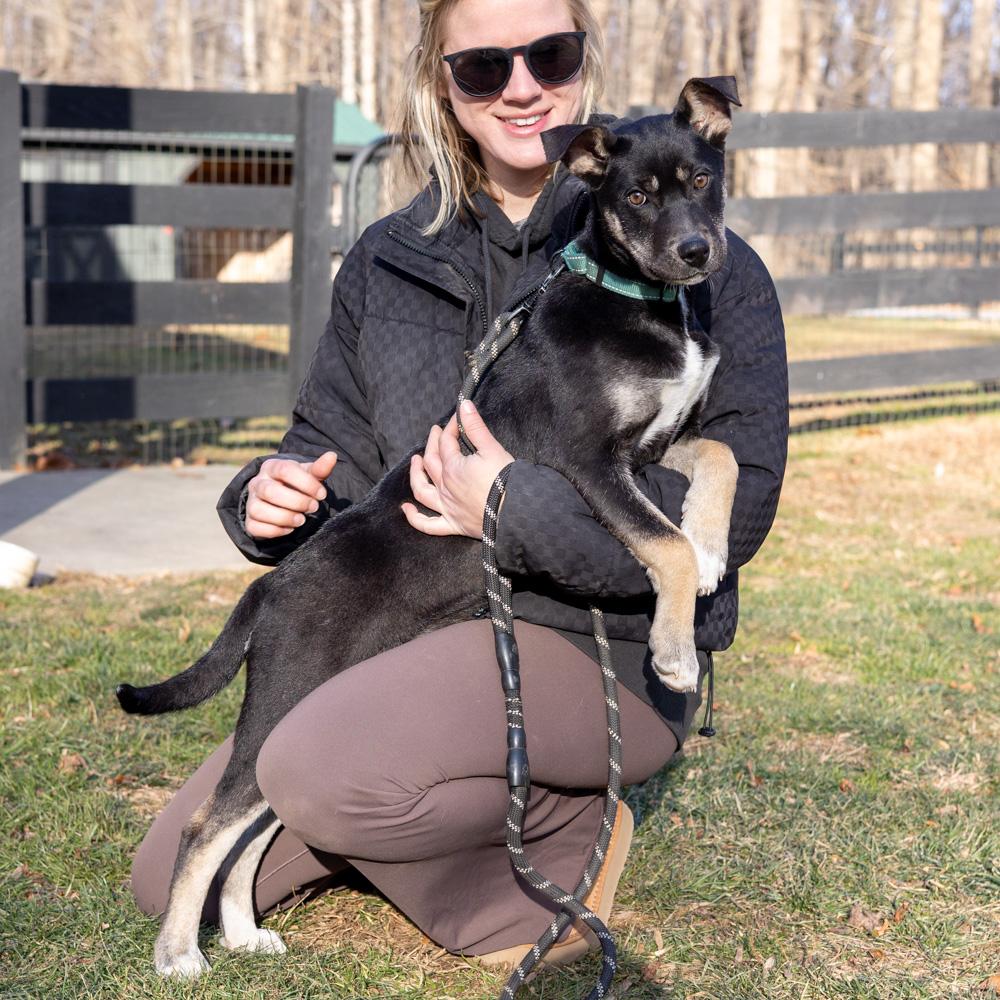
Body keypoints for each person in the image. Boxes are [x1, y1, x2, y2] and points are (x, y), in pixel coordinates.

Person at [129, 0, 788, 969]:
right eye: (483, 66)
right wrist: (265, 497)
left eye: (549, 54)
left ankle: (540, 862)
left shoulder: (704, 269)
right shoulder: (383, 265)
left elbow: (748, 507)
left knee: (310, 765)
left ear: (582, 62)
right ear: (442, 82)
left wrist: (509, 509)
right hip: (418, 618)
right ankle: (427, 787)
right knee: (162, 868)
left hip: (593, 645)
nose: (520, 85)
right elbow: (334, 459)